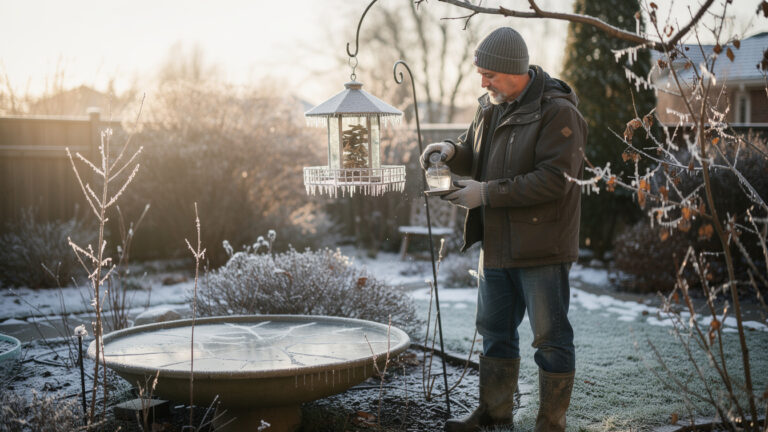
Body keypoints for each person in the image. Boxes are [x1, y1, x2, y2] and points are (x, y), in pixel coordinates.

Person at [420, 27, 586, 432]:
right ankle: (494, 417)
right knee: (494, 334)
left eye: (488, 74)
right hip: (495, 246)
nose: (482, 82)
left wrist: (486, 194)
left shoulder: (558, 111)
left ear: (514, 71)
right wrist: (451, 151)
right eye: (480, 73)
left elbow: (554, 180)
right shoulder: (491, 106)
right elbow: (477, 151)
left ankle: (550, 425)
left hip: (541, 248)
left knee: (550, 339)